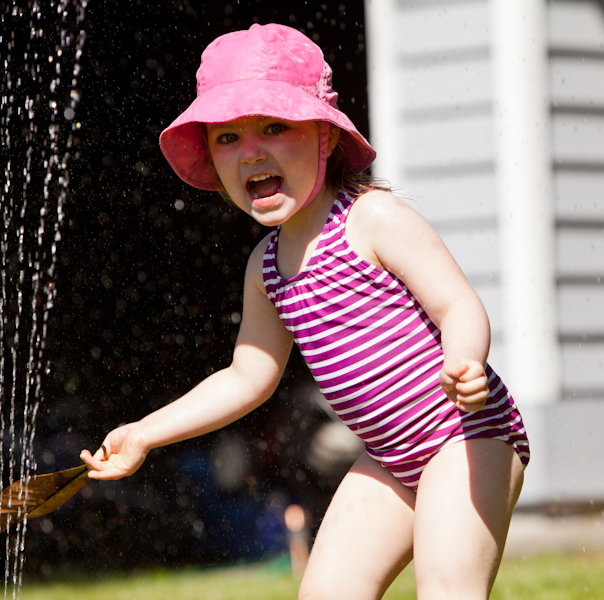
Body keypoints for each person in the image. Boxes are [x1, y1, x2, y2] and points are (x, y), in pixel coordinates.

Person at [80, 23, 529, 600]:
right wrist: (145, 433)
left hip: (465, 434)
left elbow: (458, 303)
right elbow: (247, 376)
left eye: (274, 127)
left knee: (446, 588)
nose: (252, 151)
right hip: (390, 458)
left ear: (324, 136)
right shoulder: (265, 269)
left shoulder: (372, 221)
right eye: (228, 138)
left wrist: (465, 359)